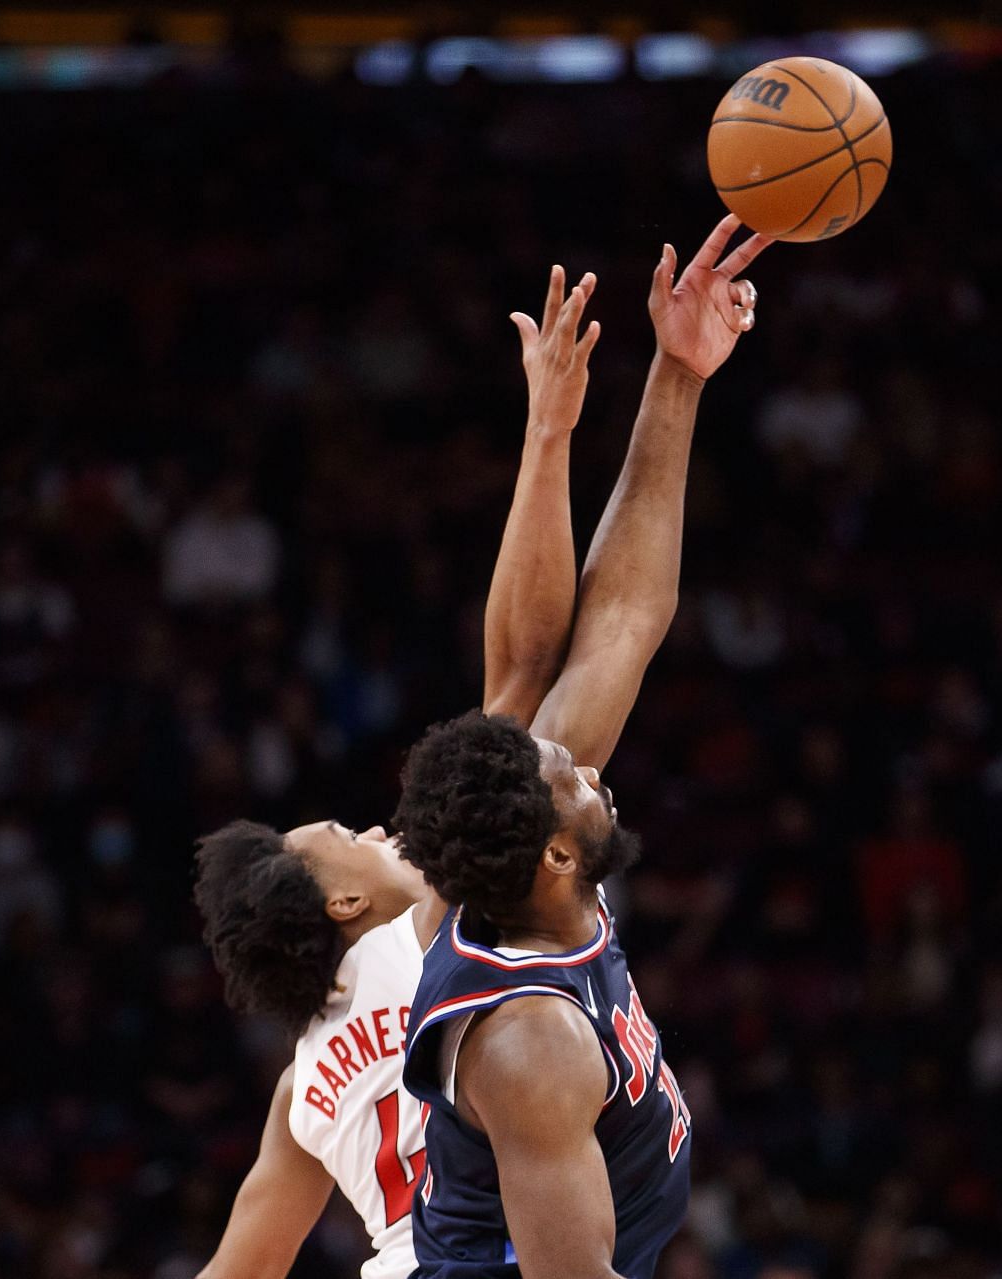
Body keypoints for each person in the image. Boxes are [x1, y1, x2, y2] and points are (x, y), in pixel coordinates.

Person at [192, 215, 766, 1279]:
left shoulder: (303, 1086)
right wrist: (553, 432)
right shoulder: (447, 936)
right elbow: (554, 649)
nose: (377, 826)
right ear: (345, 907)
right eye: (348, 835)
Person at [390, 216, 769, 1279]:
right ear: (558, 855)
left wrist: (676, 376)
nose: (586, 762)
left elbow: (607, 627)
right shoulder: (532, 1044)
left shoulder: (517, 858)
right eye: (573, 779)